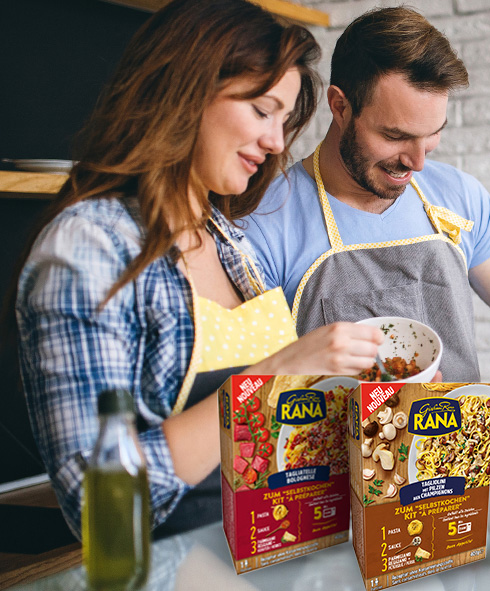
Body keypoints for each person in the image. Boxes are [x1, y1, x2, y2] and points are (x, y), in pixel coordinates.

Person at [15, 0, 384, 538]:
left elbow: (277, 434)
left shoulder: (227, 238)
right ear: (186, 90)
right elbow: (99, 500)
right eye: (262, 110)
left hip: (279, 551)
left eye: (284, 121)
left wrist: (370, 405)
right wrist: (272, 376)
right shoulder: (87, 248)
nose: (277, 143)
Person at [241, 7, 490, 422]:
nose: (416, 163)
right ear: (340, 107)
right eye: (395, 136)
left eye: (432, 135)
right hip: (334, 480)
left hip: (458, 469)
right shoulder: (263, 219)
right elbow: (249, 400)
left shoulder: (458, 196)